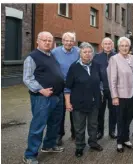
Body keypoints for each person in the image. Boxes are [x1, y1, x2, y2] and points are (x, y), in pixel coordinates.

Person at [23, 31, 65, 164]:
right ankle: (30, 155)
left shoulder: (51, 55)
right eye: (44, 40)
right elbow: (27, 78)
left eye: (49, 40)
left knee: (54, 124)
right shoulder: (32, 57)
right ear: (37, 41)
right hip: (42, 98)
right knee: (38, 126)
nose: (47, 42)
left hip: (57, 96)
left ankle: (49, 145)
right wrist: (40, 90)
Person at [65, 42, 103, 157]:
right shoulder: (74, 67)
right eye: (84, 52)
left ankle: (93, 143)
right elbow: (67, 87)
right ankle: (79, 146)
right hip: (79, 103)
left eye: (89, 52)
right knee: (79, 127)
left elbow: (100, 81)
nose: (87, 54)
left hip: (94, 103)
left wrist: (100, 92)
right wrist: (67, 102)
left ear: (92, 53)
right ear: (80, 53)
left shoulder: (96, 65)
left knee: (93, 125)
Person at [107, 37, 133, 153]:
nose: (124, 48)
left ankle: (126, 139)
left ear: (129, 47)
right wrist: (114, 96)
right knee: (120, 119)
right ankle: (119, 141)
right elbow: (112, 79)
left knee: (128, 118)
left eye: (126, 46)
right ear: (118, 47)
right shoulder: (114, 59)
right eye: (122, 46)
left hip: (132, 94)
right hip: (120, 95)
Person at [52, 32, 79, 145]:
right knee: (60, 111)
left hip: (75, 85)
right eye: (66, 40)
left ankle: (75, 133)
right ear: (62, 41)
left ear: (74, 42)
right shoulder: (54, 52)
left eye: (71, 40)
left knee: (75, 111)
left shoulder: (78, 51)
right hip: (60, 85)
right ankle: (59, 134)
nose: (69, 43)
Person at [93, 37, 117, 140]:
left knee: (113, 111)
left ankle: (112, 131)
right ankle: (100, 131)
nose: (108, 46)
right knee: (100, 112)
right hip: (101, 89)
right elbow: (94, 73)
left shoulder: (116, 56)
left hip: (113, 90)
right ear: (102, 45)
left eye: (109, 44)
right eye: (105, 44)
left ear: (112, 45)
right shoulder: (96, 57)